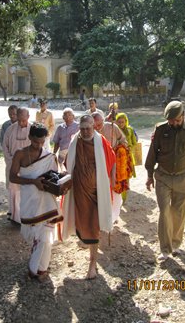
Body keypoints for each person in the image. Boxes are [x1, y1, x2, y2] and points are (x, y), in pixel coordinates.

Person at [145, 101, 185, 261]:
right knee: (164, 211)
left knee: (179, 213)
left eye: (177, 120)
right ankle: (165, 249)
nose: (174, 123)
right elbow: (152, 153)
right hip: (163, 177)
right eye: (171, 121)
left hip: (183, 178)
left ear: (183, 116)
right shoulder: (160, 129)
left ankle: (175, 244)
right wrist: (149, 175)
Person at [9, 123, 66, 281]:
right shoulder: (20, 154)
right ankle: (39, 266)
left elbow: (54, 178)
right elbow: (12, 177)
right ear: (30, 138)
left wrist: (62, 187)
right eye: (35, 142)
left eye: (42, 142)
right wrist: (33, 182)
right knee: (34, 235)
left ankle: (37, 269)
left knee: (45, 237)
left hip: (47, 201)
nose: (39, 145)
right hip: (29, 200)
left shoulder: (49, 156)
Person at [62, 115, 116, 279]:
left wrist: (111, 184)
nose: (85, 132)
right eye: (82, 128)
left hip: (97, 192)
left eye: (88, 128)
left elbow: (112, 161)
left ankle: (92, 264)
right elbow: (67, 163)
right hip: (79, 192)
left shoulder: (102, 142)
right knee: (82, 221)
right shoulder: (75, 142)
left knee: (93, 225)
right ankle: (87, 243)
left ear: (94, 127)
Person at [92, 112, 130, 223]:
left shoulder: (112, 127)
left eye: (100, 125)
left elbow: (124, 141)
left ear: (104, 121)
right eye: (95, 126)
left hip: (113, 165)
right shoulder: (89, 132)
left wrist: (118, 150)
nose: (98, 128)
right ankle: (102, 217)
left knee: (114, 191)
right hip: (98, 167)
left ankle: (113, 216)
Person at [3, 107, 31, 223]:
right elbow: (5, 147)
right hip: (13, 167)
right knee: (14, 192)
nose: (20, 123)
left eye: (23, 120)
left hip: (29, 167)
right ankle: (15, 217)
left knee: (28, 191)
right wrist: (13, 163)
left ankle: (28, 216)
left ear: (28, 117)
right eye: (19, 120)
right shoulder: (10, 129)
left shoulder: (34, 129)